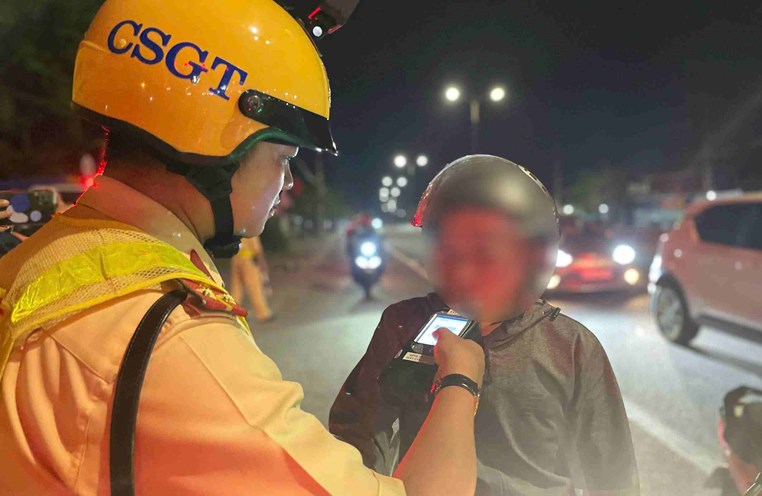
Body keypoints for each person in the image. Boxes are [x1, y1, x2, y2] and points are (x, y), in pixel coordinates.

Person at [0, 1, 485, 495]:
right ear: (214, 142)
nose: (288, 180)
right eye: (282, 156)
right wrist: (460, 381)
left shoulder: (42, 253)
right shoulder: (176, 344)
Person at [330, 155, 641, 496]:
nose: (465, 272)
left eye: (486, 255)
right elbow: (359, 431)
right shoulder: (406, 325)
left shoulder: (570, 346)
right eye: (452, 253)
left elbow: (612, 472)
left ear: (530, 257)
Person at [230, 236, 274, 322]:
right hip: (248, 259)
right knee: (255, 286)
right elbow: (257, 250)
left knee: (237, 287)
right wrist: (262, 263)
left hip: (236, 258)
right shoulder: (251, 230)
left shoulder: (236, 229)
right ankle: (263, 313)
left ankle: (233, 311)